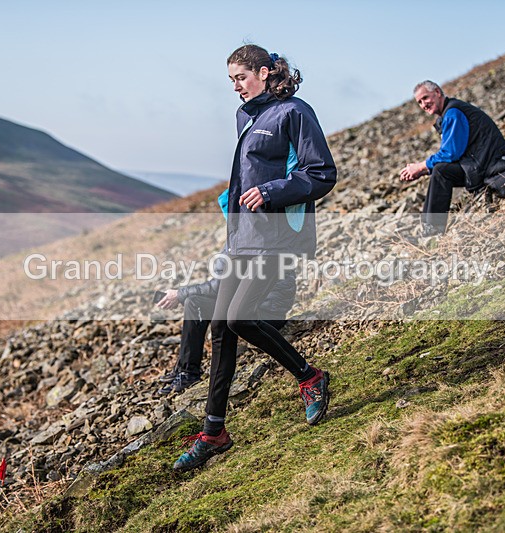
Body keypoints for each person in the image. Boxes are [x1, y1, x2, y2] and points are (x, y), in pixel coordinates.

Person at [173, 44, 337, 472]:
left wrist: (269, 192)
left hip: (277, 238)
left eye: (241, 78)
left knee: (240, 319)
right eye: (231, 80)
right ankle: (214, 432)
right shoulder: (245, 116)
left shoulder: (294, 112)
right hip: (242, 238)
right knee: (221, 327)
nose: (236, 87)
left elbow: (321, 173)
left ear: (264, 72)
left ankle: (310, 376)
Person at [155, 252, 297, 395]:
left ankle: (189, 372)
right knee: (194, 301)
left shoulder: (249, 244)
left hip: (268, 313)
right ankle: (185, 369)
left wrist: (179, 294)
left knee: (195, 302)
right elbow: (223, 284)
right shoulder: (237, 243)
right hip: (254, 307)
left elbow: (221, 286)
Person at [400, 80, 505, 234]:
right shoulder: (449, 113)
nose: (424, 104)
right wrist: (423, 170)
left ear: (437, 92)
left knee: (440, 171)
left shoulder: (453, 113)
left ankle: (432, 230)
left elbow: (450, 153)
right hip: (481, 163)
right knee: (439, 170)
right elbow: (454, 153)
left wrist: (420, 166)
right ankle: (429, 227)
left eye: (425, 98)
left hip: (489, 165)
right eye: (419, 102)